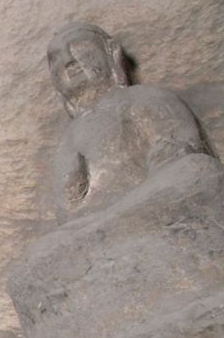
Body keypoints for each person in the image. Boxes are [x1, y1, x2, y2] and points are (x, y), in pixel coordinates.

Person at [46, 22, 211, 221]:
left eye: (79, 47)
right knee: (45, 248)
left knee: (195, 166)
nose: (68, 60)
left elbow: (182, 152)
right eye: (55, 58)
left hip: (156, 196)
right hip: (101, 219)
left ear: (112, 52)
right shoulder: (70, 138)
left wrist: (167, 157)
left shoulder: (144, 96)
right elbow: (67, 210)